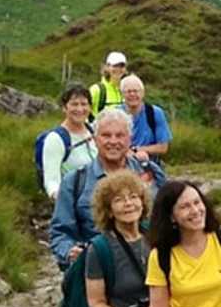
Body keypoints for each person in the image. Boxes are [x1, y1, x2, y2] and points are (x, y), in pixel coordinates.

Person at [84, 170, 164, 307]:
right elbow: (96, 303)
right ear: (108, 210)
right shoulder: (99, 249)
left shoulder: (157, 237)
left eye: (134, 197)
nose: (128, 204)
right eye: (119, 200)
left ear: (143, 201)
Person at [50, 108, 161, 268]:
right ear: (94, 139)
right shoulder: (74, 181)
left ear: (130, 139)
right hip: (97, 272)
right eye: (106, 135)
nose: (113, 141)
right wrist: (70, 252)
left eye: (120, 135)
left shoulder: (151, 172)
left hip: (149, 270)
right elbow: (60, 232)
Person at [40, 84, 97, 199]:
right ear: (64, 107)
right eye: (74, 104)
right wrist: (62, 200)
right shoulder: (56, 139)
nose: (80, 109)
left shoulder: (94, 131)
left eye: (84, 104)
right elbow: (51, 181)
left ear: (90, 107)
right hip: (74, 203)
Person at [119, 74, 171, 168]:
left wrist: (137, 150)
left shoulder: (155, 113)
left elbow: (163, 147)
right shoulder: (115, 115)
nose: (132, 94)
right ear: (122, 94)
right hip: (121, 165)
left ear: (143, 93)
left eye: (136, 91)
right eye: (128, 91)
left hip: (150, 166)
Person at [89, 51, 129, 116]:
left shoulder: (126, 90)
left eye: (121, 66)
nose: (118, 69)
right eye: (115, 66)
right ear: (107, 67)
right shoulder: (96, 90)